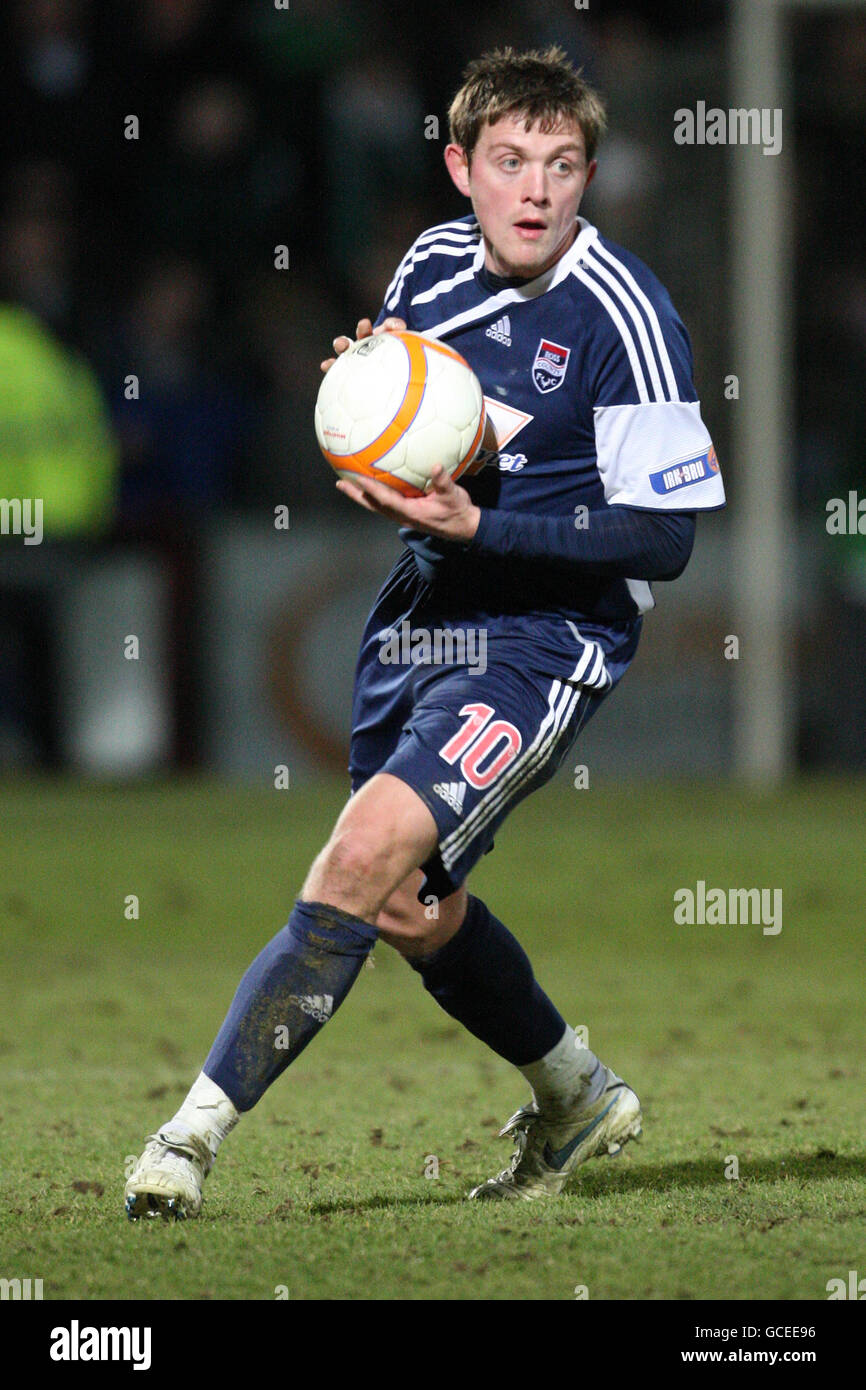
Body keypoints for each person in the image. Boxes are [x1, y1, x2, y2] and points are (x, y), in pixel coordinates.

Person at [125, 45, 725, 1218]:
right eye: (509, 162)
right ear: (461, 168)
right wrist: (367, 415)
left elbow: (663, 539)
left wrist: (479, 523)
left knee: (357, 857)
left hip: (547, 637)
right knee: (403, 900)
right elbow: (413, 412)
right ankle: (575, 1093)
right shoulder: (430, 263)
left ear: (588, 175)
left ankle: (185, 1142)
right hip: (420, 611)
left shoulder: (625, 316)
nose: (536, 191)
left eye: (560, 165)